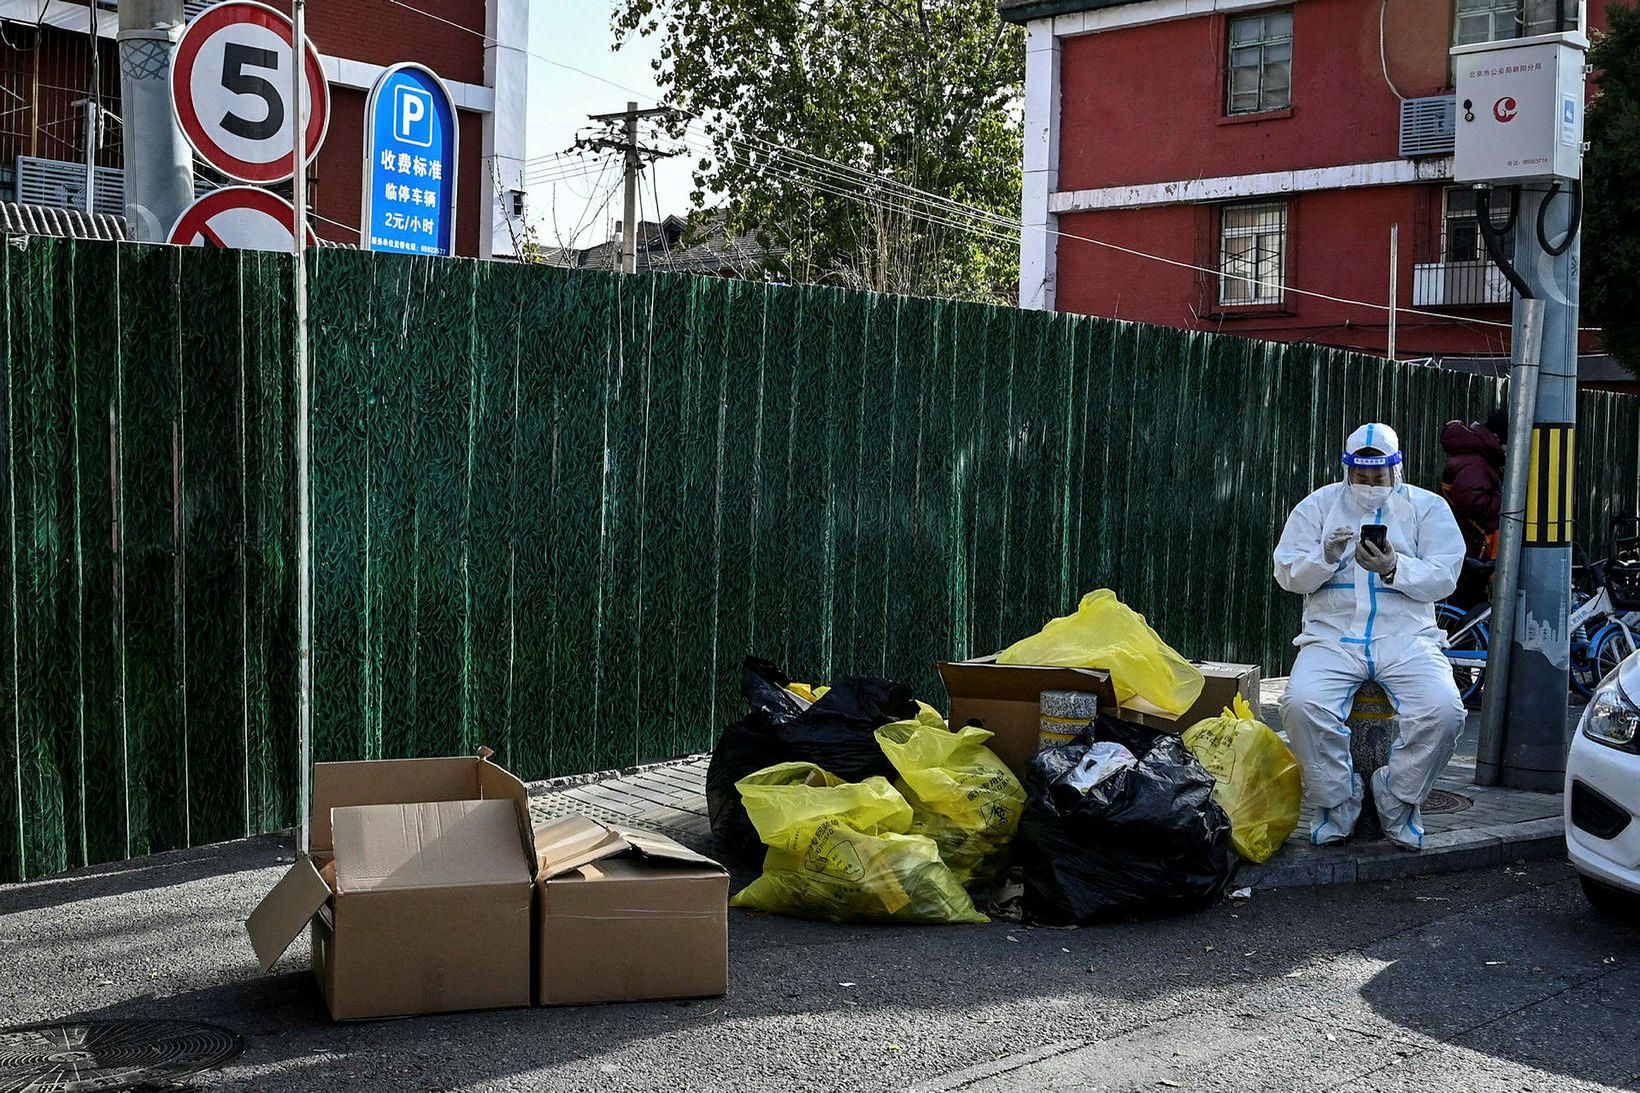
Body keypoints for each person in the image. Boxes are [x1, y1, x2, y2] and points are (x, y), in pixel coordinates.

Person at [1272, 423, 1468, 851]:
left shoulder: (1427, 507)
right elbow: (1287, 572)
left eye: (1378, 476)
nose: (1369, 485)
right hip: (1332, 637)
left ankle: (1398, 798)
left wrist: (1395, 567)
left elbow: (1446, 576)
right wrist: (1323, 557)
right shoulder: (1318, 506)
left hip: (1408, 636)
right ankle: (1335, 801)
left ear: (1396, 469)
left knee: (1445, 711)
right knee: (1302, 705)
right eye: (1361, 476)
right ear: (1347, 470)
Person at [1440, 409, 1507, 608]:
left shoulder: (1476, 455)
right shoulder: (1475, 462)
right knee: (1466, 604)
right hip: (1470, 546)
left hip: (1466, 544)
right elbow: (1472, 500)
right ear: (1496, 438)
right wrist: (1510, 504)